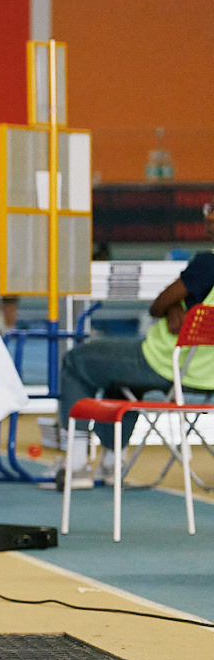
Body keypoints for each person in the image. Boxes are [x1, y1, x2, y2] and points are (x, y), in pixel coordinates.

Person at [54, 202, 214, 483]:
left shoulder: (207, 264)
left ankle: (76, 462)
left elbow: (157, 305)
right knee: (118, 379)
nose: (207, 216)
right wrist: (176, 307)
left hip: (163, 364)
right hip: (207, 377)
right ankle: (111, 462)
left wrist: (171, 306)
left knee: (76, 360)